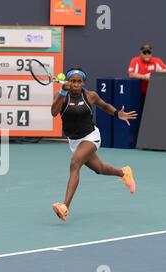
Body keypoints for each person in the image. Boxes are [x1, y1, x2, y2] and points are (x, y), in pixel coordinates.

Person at [51, 67, 138, 222]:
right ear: (68, 82)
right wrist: (62, 93)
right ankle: (123, 173)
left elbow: (104, 106)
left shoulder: (90, 96)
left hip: (91, 137)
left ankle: (65, 207)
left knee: (75, 163)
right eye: (72, 81)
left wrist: (118, 113)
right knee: (100, 169)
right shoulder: (61, 96)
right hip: (74, 141)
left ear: (83, 83)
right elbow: (54, 112)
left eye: (79, 81)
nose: (76, 84)